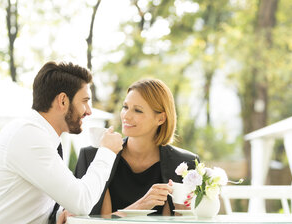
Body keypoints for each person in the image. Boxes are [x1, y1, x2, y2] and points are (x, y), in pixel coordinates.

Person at [0, 61, 123, 224]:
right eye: (85, 101)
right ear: (63, 101)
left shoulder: (40, 135)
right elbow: (82, 202)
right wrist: (107, 151)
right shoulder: (29, 136)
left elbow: (38, 197)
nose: (89, 110)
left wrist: (59, 214)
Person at [75, 78, 199, 216]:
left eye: (138, 110)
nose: (126, 116)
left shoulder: (185, 165)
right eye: (125, 107)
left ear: (161, 119)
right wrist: (141, 206)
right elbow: (85, 221)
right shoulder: (92, 157)